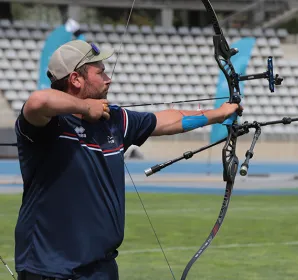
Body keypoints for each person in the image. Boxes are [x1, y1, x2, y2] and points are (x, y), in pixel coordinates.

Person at [14, 40, 242, 280]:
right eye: (100, 72)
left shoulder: (113, 119)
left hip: (100, 267)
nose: (107, 78)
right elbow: (38, 101)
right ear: (75, 80)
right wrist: (85, 107)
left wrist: (221, 113)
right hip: (50, 268)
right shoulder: (48, 126)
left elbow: (169, 120)